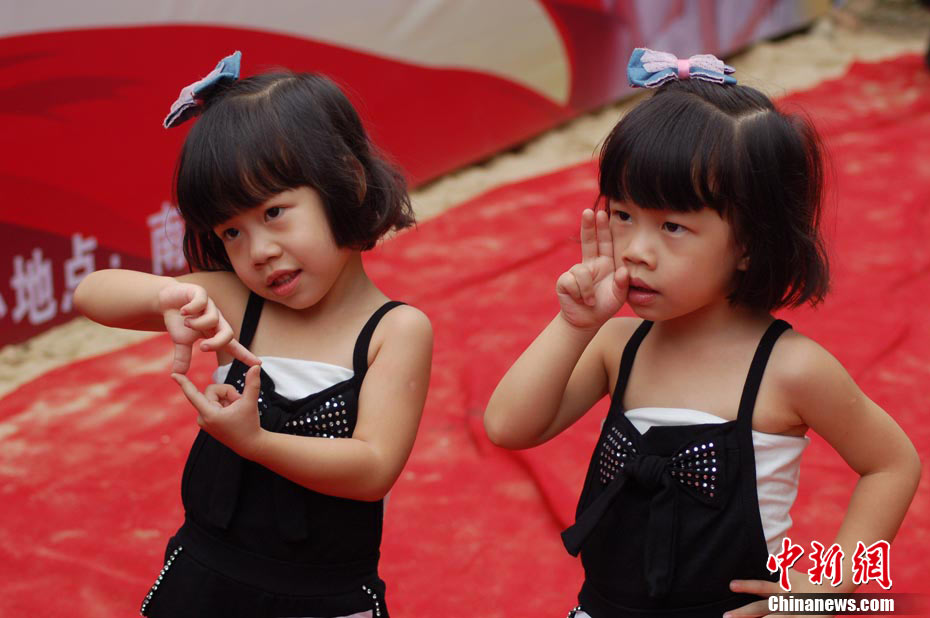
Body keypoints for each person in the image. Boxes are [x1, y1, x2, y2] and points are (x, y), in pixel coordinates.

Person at [483, 49, 920, 618]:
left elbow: (891, 464)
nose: (637, 250)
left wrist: (829, 590)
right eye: (623, 215)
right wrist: (574, 324)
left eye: (672, 226)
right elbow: (507, 427)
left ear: (749, 244)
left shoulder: (790, 369)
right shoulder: (617, 348)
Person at [75, 51, 432, 618]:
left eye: (273, 213)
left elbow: (372, 469)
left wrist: (256, 443)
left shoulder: (395, 330)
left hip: (323, 597)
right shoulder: (240, 302)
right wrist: (164, 296)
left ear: (347, 181)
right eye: (231, 232)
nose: (258, 251)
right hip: (203, 580)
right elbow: (91, 294)